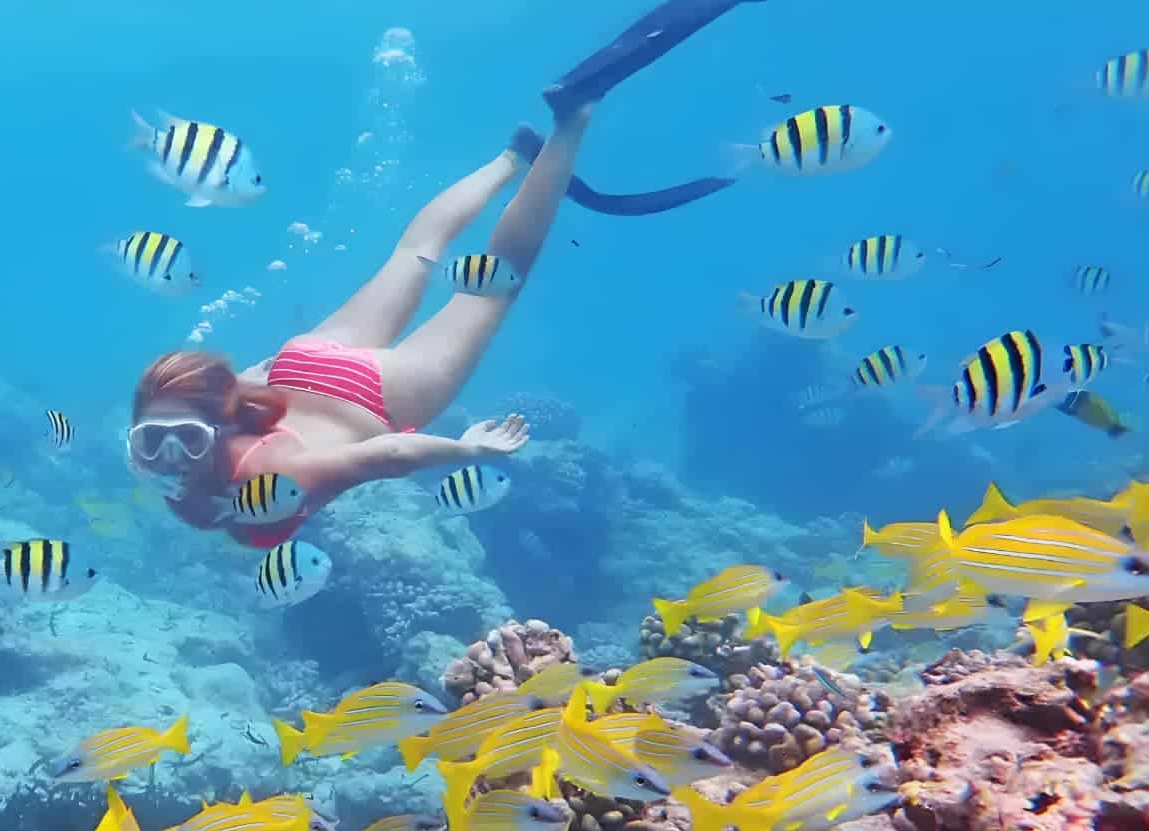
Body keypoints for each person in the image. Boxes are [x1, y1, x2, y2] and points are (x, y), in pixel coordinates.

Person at [127, 0, 766, 547]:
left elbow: (380, 455)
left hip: (374, 397)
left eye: (178, 438)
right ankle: (512, 158)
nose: (172, 459)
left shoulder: (258, 483)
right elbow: (238, 388)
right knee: (413, 249)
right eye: (154, 446)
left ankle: (574, 118)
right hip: (300, 365)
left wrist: (469, 451)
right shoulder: (227, 427)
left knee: (496, 282)